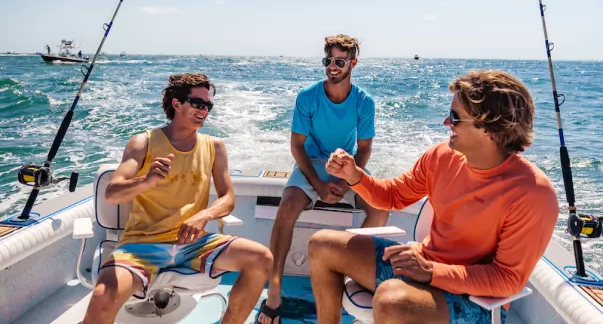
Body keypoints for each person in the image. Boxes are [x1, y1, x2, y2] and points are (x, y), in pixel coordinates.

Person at [308, 70, 559, 324]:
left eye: (455, 117)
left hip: (474, 298)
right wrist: (354, 175)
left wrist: (431, 271)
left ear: (489, 127)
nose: (446, 122)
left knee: (391, 301)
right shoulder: (441, 156)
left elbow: (506, 279)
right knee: (322, 245)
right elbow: (393, 195)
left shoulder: (533, 193)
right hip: (424, 265)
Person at [83, 73, 273, 324]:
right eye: (198, 103)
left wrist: (204, 215)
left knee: (261, 258)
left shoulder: (215, 146)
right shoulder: (143, 142)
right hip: (142, 244)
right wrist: (147, 180)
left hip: (194, 243)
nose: (204, 110)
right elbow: (112, 194)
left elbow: (228, 198)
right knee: (102, 297)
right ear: (177, 104)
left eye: (208, 105)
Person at [257, 34, 389, 324]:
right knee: (287, 205)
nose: (332, 66)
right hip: (311, 163)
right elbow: (297, 145)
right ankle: (274, 288)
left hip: (346, 163)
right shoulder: (308, 96)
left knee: (380, 206)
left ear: (353, 63)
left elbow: (364, 149)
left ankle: (352, 277)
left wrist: (345, 180)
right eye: (328, 60)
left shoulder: (364, 101)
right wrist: (318, 185)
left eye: (339, 61)